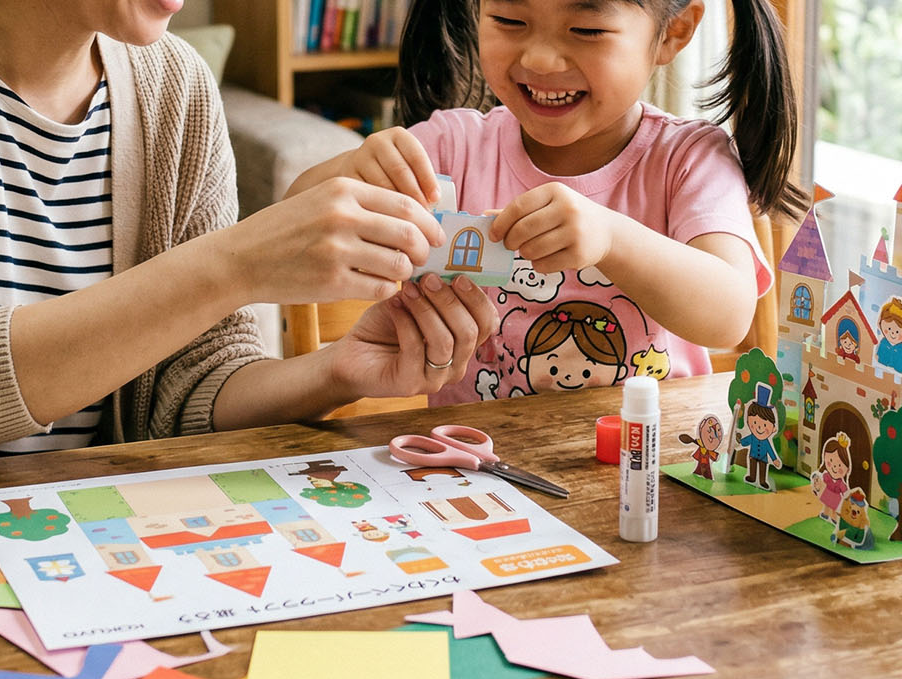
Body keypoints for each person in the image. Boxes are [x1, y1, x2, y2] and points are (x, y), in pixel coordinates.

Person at [0, 0, 498, 491]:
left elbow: (186, 399)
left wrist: (334, 374)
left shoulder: (174, 83)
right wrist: (239, 262)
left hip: (72, 555)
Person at [287, 0, 804, 403]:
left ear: (673, 32)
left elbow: (730, 313)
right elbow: (288, 226)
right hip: (479, 470)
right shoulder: (451, 147)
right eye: (510, 20)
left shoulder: (689, 159)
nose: (538, 58)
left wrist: (611, 237)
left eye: (586, 30)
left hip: (650, 468)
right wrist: (351, 171)